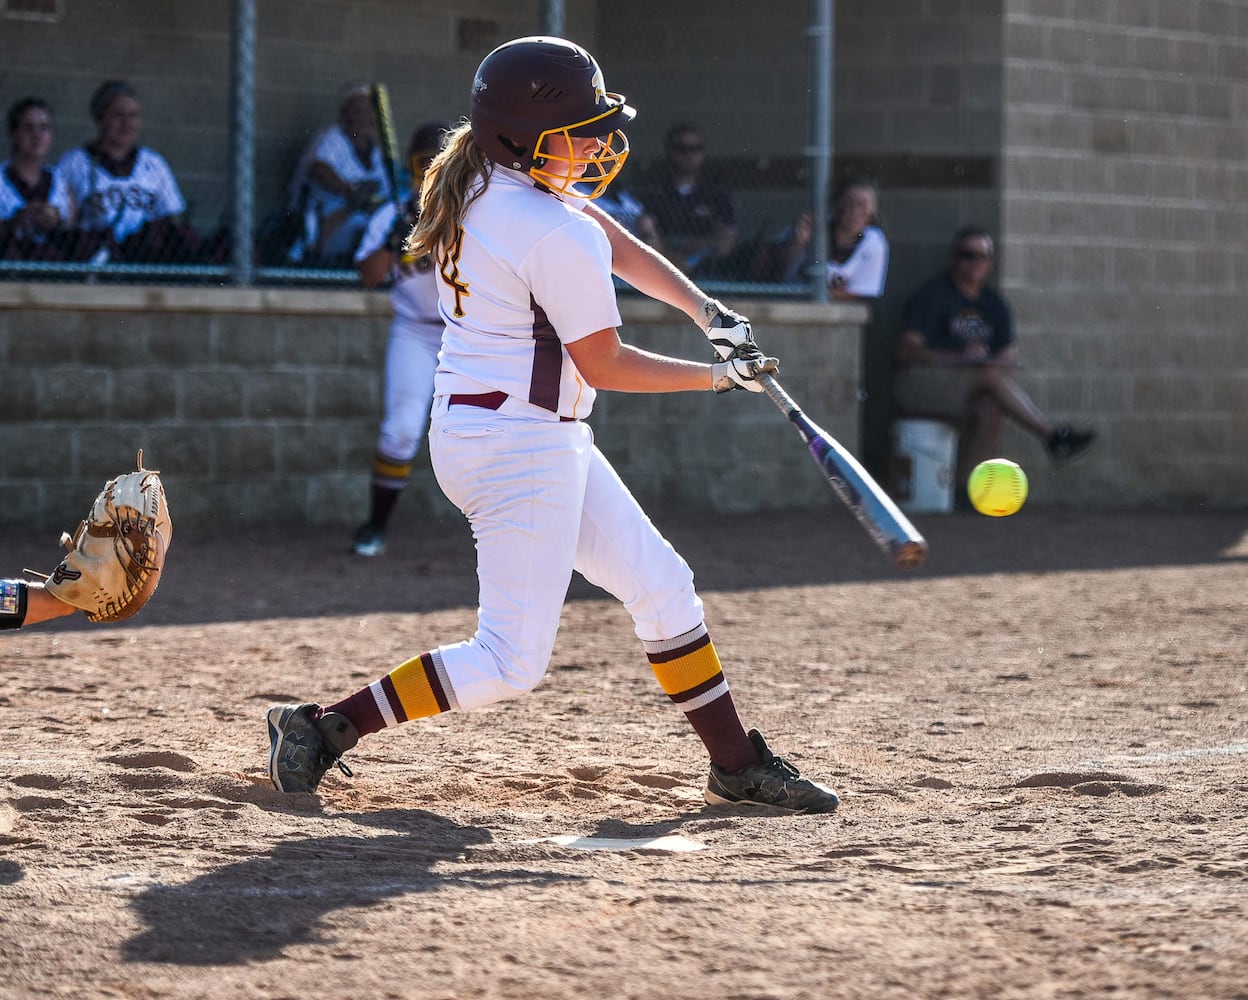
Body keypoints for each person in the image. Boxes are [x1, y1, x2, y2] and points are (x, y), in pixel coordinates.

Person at [267, 35, 840, 815]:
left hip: (513, 433)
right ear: (521, 136)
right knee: (509, 663)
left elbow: (617, 244)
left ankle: (736, 764)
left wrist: (709, 314)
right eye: (582, 128)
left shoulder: (483, 182)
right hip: (519, 444)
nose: (601, 141)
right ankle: (323, 726)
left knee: (665, 587)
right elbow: (603, 363)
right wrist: (716, 377)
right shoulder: (545, 224)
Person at [894, 225, 1097, 492]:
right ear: (953, 258)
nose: (976, 262)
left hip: (975, 387)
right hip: (927, 385)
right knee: (988, 375)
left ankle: (965, 492)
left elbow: (1008, 352)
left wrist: (990, 361)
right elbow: (907, 351)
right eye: (968, 255)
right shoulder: (933, 296)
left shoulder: (993, 302)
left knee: (991, 408)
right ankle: (1051, 436)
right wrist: (959, 357)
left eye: (983, 256)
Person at [351, 120, 453, 558]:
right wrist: (397, 241)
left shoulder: (475, 208)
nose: (430, 170)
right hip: (414, 331)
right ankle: (375, 526)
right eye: (423, 162)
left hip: (470, 333)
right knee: (400, 432)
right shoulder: (392, 213)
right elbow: (369, 276)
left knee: (492, 430)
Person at [57, 80, 198, 263]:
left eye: (133, 116)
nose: (127, 123)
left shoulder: (153, 163)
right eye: (117, 115)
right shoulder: (74, 162)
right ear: (100, 119)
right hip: (97, 257)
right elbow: (64, 223)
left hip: (146, 257)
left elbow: (171, 217)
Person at [285, 82, 395, 266]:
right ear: (344, 114)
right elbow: (318, 168)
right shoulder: (333, 137)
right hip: (323, 223)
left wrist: (370, 199)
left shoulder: (377, 151)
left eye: (368, 112)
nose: (363, 118)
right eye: (357, 111)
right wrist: (351, 192)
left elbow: (387, 193)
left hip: (367, 222)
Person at [750, 176, 890, 299]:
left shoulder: (874, 241)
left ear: (872, 211)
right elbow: (779, 276)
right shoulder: (815, 226)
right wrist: (798, 243)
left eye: (863, 205)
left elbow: (861, 294)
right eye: (849, 203)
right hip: (791, 302)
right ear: (838, 204)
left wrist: (818, 294)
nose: (855, 211)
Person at [639, 121, 737, 277]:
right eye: (681, 149)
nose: (689, 155)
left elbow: (725, 244)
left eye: (696, 148)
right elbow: (648, 235)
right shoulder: (654, 192)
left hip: (707, 269)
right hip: (662, 268)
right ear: (669, 151)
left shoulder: (716, 194)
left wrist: (691, 252)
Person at [0, 97, 75, 260]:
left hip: (53, 270)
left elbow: (71, 228)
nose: (36, 135)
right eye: (28, 127)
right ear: (13, 133)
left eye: (44, 128)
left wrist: (55, 221)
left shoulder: (60, 181)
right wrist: (15, 222)